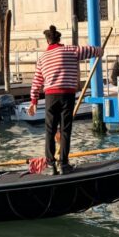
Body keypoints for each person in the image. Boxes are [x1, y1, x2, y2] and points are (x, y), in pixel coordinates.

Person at [27, 25, 103, 175]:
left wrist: (34, 101)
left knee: (50, 130)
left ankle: (50, 165)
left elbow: (36, 81)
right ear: (59, 39)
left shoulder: (42, 58)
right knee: (65, 129)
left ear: (48, 41)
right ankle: (64, 164)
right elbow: (93, 50)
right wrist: (100, 51)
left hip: (51, 96)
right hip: (67, 95)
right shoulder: (71, 50)